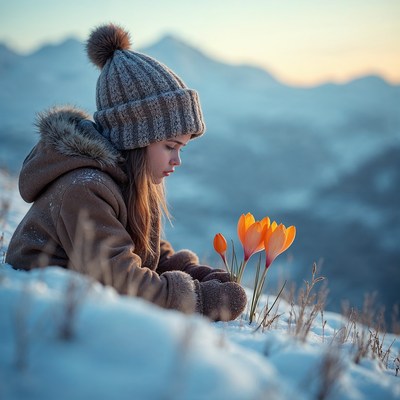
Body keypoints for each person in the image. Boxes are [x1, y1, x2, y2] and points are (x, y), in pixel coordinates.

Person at [6, 23, 247, 321]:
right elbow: (122, 280)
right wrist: (199, 299)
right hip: (41, 314)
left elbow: (145, 251)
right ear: (135, 138)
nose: (177, 160)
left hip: (81, 309)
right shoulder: (84, 189)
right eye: (170, 146)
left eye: (181, 148)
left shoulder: (132, 181)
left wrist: (192, 271)